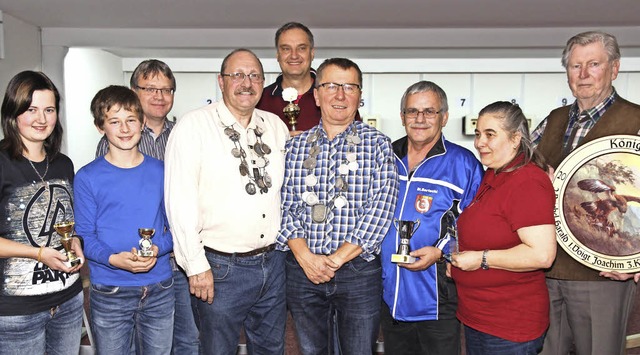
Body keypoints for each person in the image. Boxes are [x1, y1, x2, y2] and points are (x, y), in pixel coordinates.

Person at [165, 48, 289, 355]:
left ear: (263, 82)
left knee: (272, 349)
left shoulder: (276, 127)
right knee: (217, 350)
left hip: (273, 264)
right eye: (237, 75)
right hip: (220, 268)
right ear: (221, 81)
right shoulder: (193, 126)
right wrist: (195, 265)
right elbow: (179, 201)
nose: (246, 83)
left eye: (254, 76)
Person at [277, 57, 399, 355]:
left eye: (349, 87)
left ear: (360, 95)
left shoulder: (379, 144)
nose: (340, 95)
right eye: (331, 86)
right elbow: (283, 204)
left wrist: (335, 260)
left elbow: (381, 207)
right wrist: (306, 257)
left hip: (358, 272)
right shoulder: (294, 146)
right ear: (316, 95)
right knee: (310, 350)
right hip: (303, 270)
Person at [531, 31, 640, 355]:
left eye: (593, 64)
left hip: (604, 274)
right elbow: (520, 175)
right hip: (547, 270)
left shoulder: (636, 120)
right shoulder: (553, 120)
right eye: (575, 66)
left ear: (615, 68)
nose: (583, 74)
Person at [95, 60, 200, 354]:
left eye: (166, 89)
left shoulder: (184, 135)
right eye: (150, 88)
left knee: (187, 338)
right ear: (133, 92)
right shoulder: (112, 145)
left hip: (177, 260)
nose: (159, 96)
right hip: (128, 270)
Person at [379, 80, 483, 354]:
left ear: (444, 117)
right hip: (388, 292)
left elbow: (474, 225)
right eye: (412, 111)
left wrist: (440, 251)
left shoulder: (463, 163)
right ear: (402, 117)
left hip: (436, 294)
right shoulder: (385, 156)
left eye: (429, 111)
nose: (420, 119)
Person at [450, 102, 556, 354]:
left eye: (490, 134)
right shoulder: (495, 173)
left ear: (515, 138)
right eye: (478, 134)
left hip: (508, 324)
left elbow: (542, 254)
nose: (479, 142)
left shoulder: (526, 181)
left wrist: (481, 259)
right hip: (481, 317)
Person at [75, 85, 174, 354]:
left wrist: (157, 248)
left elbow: (176, 227)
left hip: (160, 286)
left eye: (131, 119)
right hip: (110, 289)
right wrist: (112, 259)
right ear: (100, 127)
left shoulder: (162, 171)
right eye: (114, 122)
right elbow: (84, 235)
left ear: (142, 122)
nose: (125, 128)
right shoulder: (87, 177)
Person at [0, 70, 84, 355]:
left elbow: (67, 225)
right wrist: (38, 253)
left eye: (49, 109)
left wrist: (75, 243)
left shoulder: (63, 164)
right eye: (31, 109)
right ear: (13, 112)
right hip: (17, 312)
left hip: (69, 301)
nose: (42, 119)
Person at [257, 22, 321, 134]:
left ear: (312, 53)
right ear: (278, 55)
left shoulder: (332, 96)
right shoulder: (259, 101)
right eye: (286, 49)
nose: (294, 55)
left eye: (301, 48)